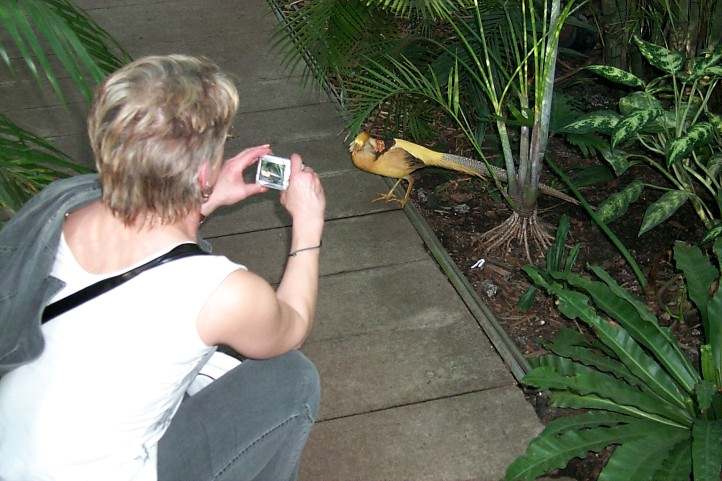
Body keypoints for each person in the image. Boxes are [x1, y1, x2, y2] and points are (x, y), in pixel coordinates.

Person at [0, 54, 325, 481]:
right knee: (293, 379)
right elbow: (292, 327)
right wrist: (308, 225)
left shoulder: (62, 206)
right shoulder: (222, 292)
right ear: (203, 169)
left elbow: (148, 239)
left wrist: (203, 199)